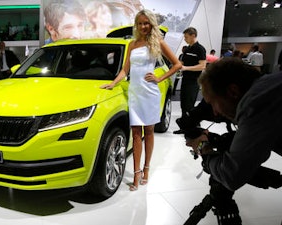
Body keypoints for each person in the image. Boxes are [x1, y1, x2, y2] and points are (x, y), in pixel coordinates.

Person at [100, 9, 182, 191]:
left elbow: (177, 64)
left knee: (149, 132)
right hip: (135, 93)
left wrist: (160, 78)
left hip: (150, 92)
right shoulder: (132, 44)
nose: (143, 26)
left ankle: (146, 169)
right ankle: (136, 174)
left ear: (151, 24)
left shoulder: (157, 42)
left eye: (146, 23)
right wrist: (112, 84)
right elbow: (125, 70)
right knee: (136, 133)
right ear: (136, 25)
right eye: (140, 23)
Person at [191, 57, 282, 191]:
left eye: (213, 103)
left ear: (233, 92)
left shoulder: (254, 104)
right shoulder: (269, 85)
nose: (215, 112)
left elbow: (231, 175)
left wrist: (205, 151)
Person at [173, 27, 206, 134]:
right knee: (184, 104)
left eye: (186, 37)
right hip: (185, 80)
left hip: (194, 81)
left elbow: (202, 66)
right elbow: (181, 63)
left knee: (189, 105)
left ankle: (193, 127)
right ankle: (185, 127)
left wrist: (186, 68)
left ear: (193, 36)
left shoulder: (200, 49)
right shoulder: (187, 49)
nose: (184, 39)